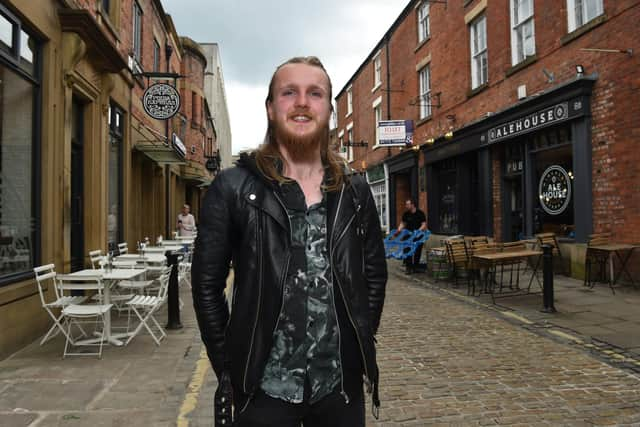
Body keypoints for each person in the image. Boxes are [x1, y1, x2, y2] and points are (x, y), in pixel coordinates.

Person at [192, 56, 387, 427]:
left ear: (328, 109)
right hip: (263, 391)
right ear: (270, 107)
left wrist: (358, 344)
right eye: (289, 92)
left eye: (314, 93)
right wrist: (230, 370)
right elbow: (206, 287)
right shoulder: (234, 188)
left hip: (339, 390)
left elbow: (373, 276)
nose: (301, 101)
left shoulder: (354, 190)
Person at [395, 199, 427, 274]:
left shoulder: (420, 213)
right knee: (407, 250)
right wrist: (399, 229)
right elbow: (403, 223)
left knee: (417, 251)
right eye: (406, 204)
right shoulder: (406, 214)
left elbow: (423, 224)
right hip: (408, 235)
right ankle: (408, 267)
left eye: (407, 204)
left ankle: (416, 267)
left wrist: (418, 231)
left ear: (412, 205)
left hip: (418, 235)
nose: (406, 206)